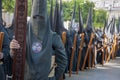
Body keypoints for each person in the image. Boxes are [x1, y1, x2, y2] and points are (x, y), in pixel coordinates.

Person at [10, 0, 67, 80]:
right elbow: (14, 57)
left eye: (41, 18)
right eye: (35, 18)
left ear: (46, 19)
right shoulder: (22, 35)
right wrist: (13, 49)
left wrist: (54, 78)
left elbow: (62, 60)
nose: (38, 21)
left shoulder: (54, 37)